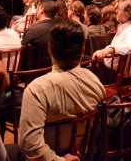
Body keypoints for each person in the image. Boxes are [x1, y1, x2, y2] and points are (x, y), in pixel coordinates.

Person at [19, 20, 105, 161]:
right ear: (83, 50)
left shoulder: (37, 90)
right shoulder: (95, 82)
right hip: (84, 153)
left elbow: (30, 145)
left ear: (49, 49)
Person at [92, 0, 131, 70]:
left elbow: (130, 46)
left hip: (112, 74)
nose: (116, 11)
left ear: (128, 14)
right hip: (109, 67)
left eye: (119, 9)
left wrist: (107, 50)